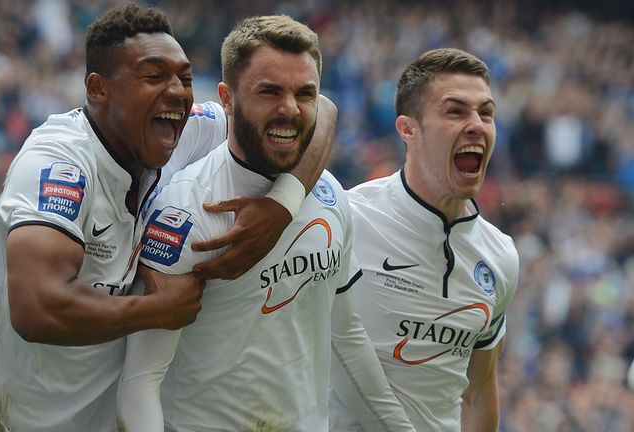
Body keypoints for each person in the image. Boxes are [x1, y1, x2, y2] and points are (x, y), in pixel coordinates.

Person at [0, 4, 334, 431]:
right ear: (98, 88)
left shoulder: (183, 129)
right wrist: (156, 310)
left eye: (183, 77)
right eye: (153, 76)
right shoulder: (58, 164)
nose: (178, 93)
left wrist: (281, 207)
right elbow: (37, 307)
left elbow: (321, 111)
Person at [116, 15, 415, 432]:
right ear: (228, 98)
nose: (290, 109)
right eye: (269, 92)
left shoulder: (329, 195)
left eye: (304, 93)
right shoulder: (182, 214)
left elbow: (344, 336)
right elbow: (140, 379)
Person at [329, 48, 520, 432]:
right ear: (407, 128)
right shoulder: (349, 218)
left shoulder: (500, 256)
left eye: (486, 113)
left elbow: (478, 391)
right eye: (455, 111)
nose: (476, 125)